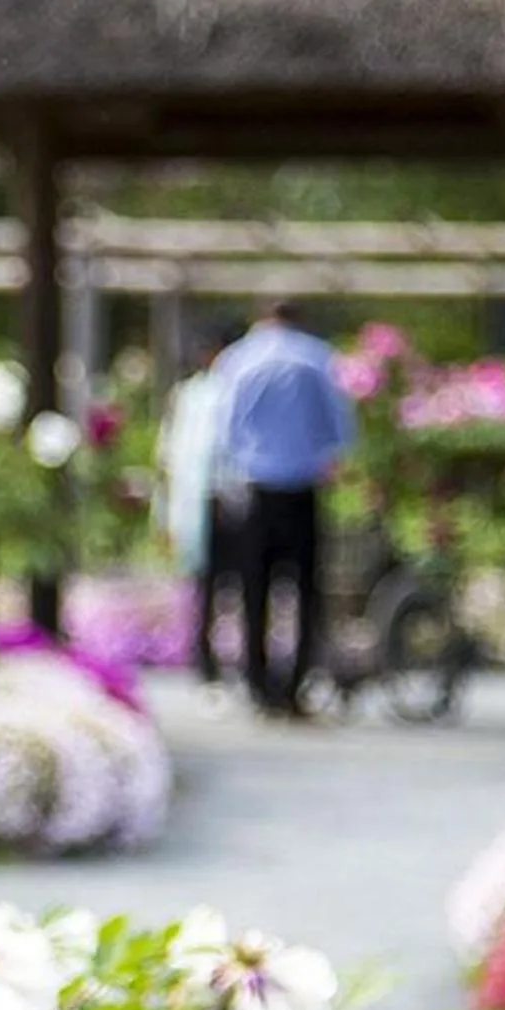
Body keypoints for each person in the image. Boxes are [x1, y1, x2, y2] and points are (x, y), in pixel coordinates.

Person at [214, 300, 355, 717]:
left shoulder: (239, 359)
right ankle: (295, 683)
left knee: (253, 589)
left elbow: (225, 429)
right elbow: (340, 429)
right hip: (301, 486)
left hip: (255, 486)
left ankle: (257, 683)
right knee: (306, 590)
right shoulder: (316, 357)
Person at [155, 319, 241, 694]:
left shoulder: (234, 389)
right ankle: (206, 659)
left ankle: (236, 660)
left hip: (231, 498)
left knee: (234, 583)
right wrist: (165, 510)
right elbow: (172, 454)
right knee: (204, 584)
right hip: (196, 500)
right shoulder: (189, 394)